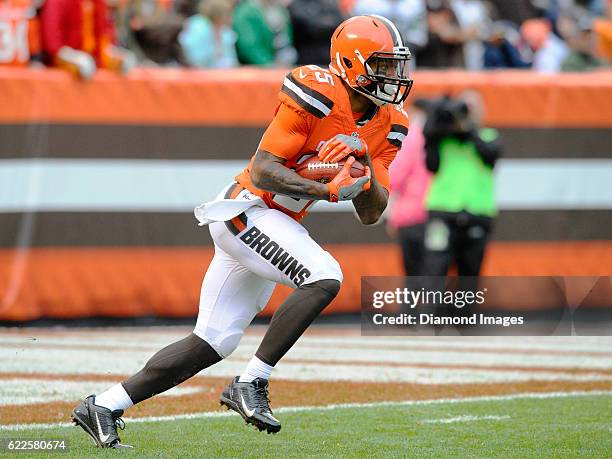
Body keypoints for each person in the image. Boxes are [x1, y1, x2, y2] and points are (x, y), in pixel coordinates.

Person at [71, 14, 412, 448]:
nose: (394, 77)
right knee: (324, 276)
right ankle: (251, 382)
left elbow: (371, 211)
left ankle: (103, 405)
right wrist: (325, 191)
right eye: (383, 66)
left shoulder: (388, 123)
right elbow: (267, 170)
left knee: (212, 340)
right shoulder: (318, 93)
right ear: (350, 63)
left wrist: (364, 165)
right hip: (247, 209)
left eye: (396, 66)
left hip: (276, 224)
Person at [422, 91, 500, 280]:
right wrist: (435, 125)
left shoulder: (490, 136)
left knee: (469, 278)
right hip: (443, 213)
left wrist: (468, 129)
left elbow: (489, 155)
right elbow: (431, 165)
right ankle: (432, 310)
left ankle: (462, 311)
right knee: (435, 272)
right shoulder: (443, 139)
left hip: (477, 215)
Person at [387, 98, 431, 276]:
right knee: (434, 272)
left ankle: (414, 304)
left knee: (413, 275)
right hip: (437, 213)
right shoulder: (439, 138)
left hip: (410, 215)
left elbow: (395, 177)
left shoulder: (411, 137)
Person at [40, 0, 135, 79]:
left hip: (93, 59)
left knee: (126, 61)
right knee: (85, 64)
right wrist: (68, 55)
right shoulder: (58, 2)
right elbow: (52, 40)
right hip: (66, 56)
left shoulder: (98, 3)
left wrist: (112, 54)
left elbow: (104, 33)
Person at [179, 0, 238, 68]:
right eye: (227, 14)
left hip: (224, 74)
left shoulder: (226, 31)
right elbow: (194, 58)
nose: (231, 17)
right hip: (198, 73)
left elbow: (232, 59)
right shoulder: (197, 28)